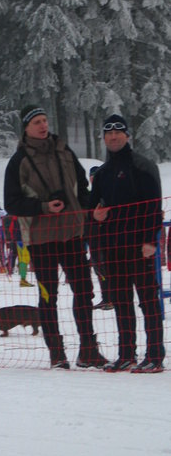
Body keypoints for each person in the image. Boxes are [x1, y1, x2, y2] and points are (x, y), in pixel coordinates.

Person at [4, 104, 107, 369]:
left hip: (72, 234)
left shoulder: (65, 151)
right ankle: (57, 353)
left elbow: (82, 189)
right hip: (41, 239)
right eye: (36, 122)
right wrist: (43, 207)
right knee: (48, 296)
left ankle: (88, 349)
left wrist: (89, 212)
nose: (43, 125)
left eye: (44, 120)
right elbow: (11, 203)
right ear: (26, 128)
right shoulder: (18, 161)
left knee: (84, 291)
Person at [89, 114, 165, 373]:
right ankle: (126, 354)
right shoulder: (102, 173)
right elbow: (92, 209)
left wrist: (150, 240)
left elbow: (154, 206)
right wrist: (95, 216)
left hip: (139, 246)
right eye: (108, 133)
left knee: (148, 301)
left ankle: (155, 355)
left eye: (118, 132)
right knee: (121, 302)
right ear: (104, 138)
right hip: (113, 248)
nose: (113, 137)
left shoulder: (142, 166)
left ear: (127, 136)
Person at [87, 165, 113, 310]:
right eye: (92, 177)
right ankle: (106, 298)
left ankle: (111, 299)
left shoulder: (107, 193)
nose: (93, 179)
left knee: (105, 266)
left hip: (105, 236)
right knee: (98, 267)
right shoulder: (90, 195)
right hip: (93, 236)